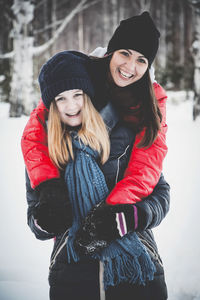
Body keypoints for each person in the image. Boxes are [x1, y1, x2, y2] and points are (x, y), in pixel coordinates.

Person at [21, 11, 170, 299]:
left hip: (136, 270)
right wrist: (47, 212)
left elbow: (158, 189)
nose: (130, 66)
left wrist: (124, 217)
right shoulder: (56, 143)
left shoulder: (134, 127)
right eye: (124, 53)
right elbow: (36, 218)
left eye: (142, 59)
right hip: (73, 274)